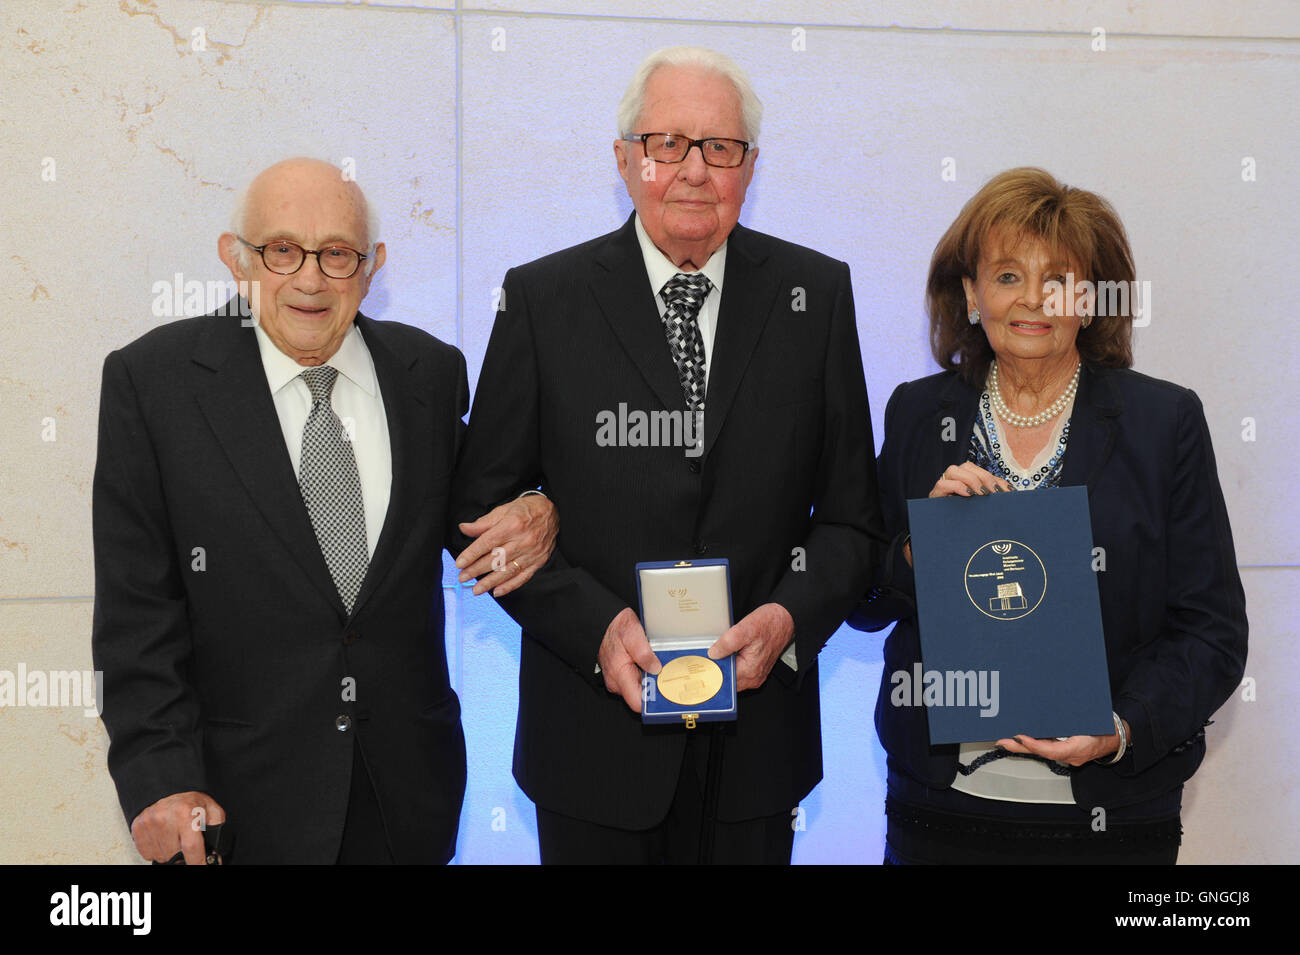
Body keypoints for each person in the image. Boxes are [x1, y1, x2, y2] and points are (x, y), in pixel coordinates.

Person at [451, 46, 886, 864]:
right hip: (590, 741)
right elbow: (481, 518)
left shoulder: (816, 296)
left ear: (749, 167)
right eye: (667, 143)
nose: (693, 169)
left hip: (758, 751)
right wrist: (597, 627)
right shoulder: (542, 299)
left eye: (719, 148)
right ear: (624, 160)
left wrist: (789, 615)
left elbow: (854, 520)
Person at [92, 158, 557, 865]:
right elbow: (137, 620)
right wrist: (161, 780)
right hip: (233, 810)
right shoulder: (154, 385)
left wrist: (537, 504)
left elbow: (483, 513)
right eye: (282, 250)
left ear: (372, 267)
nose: (310, 279)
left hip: (407, 800)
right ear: (236, 259)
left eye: (336, 254)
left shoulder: (428, 374)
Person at [850, 167, 1248, 864]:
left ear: (1089, 300)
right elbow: (863, 597)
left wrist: (1117, 728)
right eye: (1007, 276)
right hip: (941, 808)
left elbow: (1211, 634)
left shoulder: (1164, 422)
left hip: (1111, 814)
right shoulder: (918, 413)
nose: (1032, 299)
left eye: (1058, 278)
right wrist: (919, 551)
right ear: (971, 294)